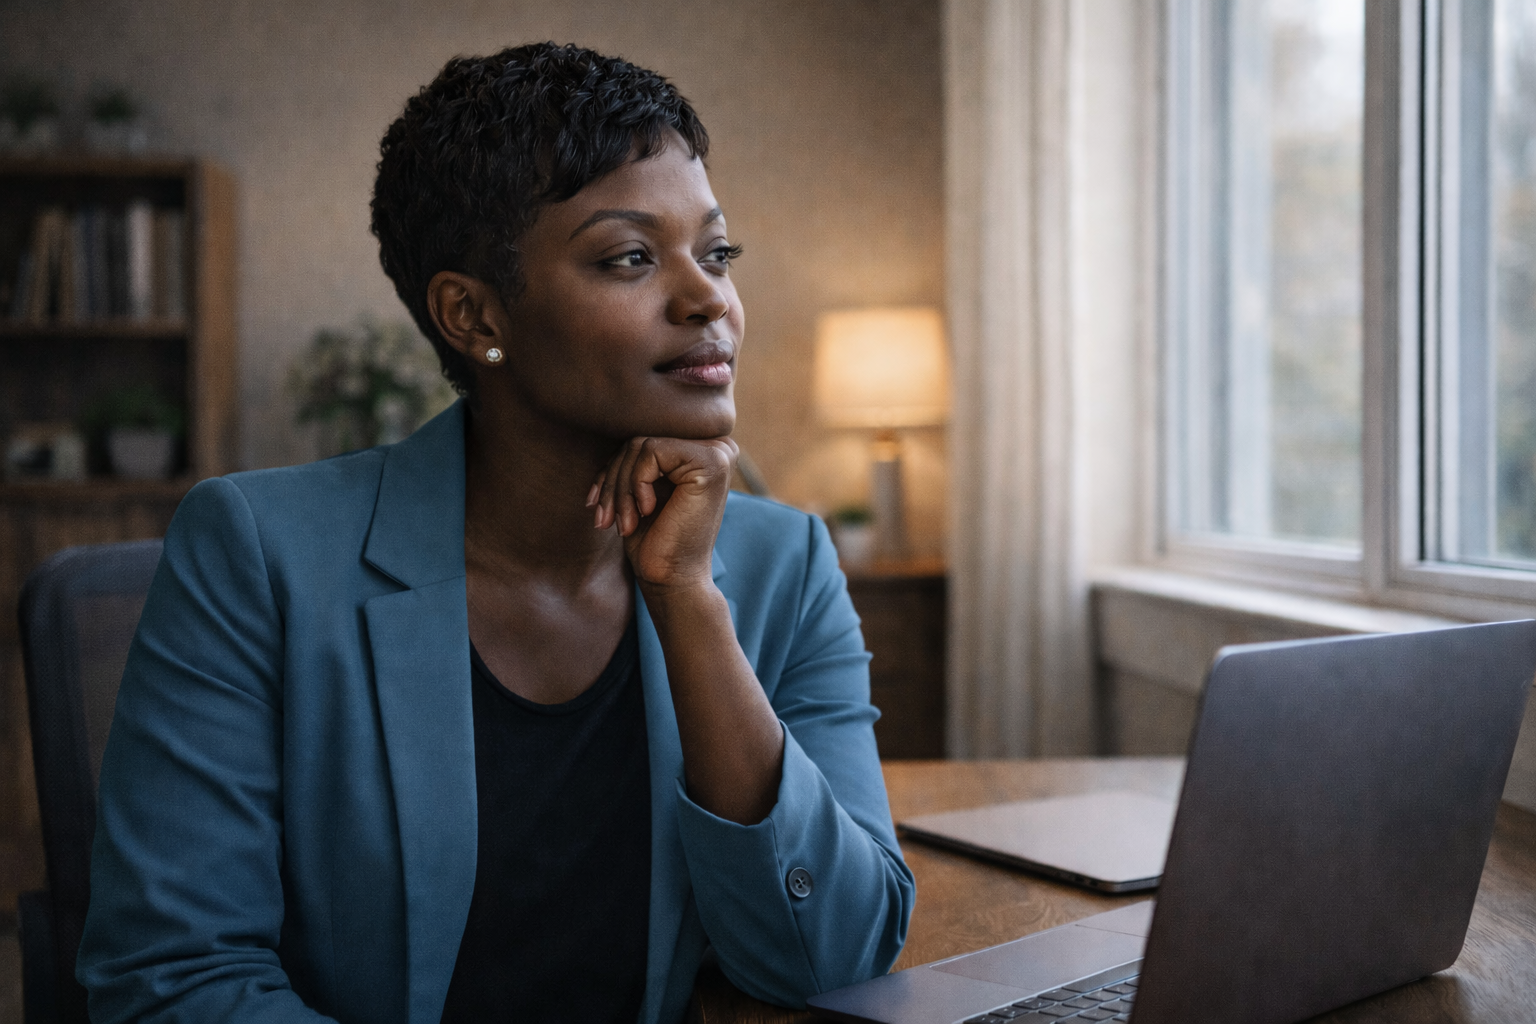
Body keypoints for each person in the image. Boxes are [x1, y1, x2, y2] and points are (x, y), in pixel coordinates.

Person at [77, 42, 915, 1024]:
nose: (709, 300)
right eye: (631, 257)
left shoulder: (786, 565)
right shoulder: (254, 554)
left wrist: (688, 602)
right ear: (472, 315)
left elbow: (839, 959)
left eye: (716, 252)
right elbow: (173, 980)